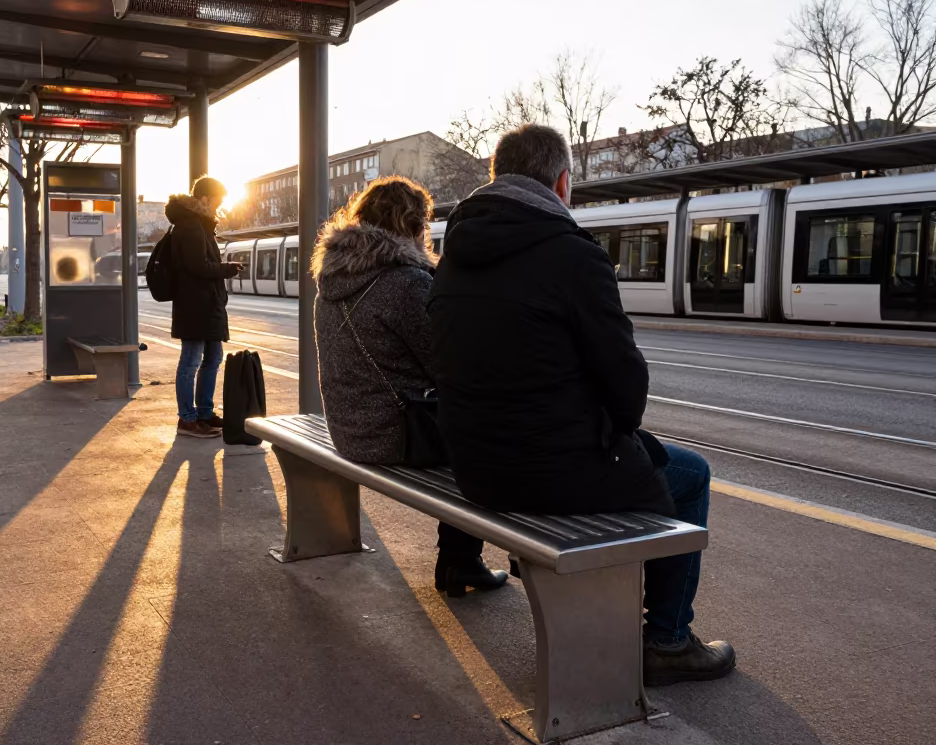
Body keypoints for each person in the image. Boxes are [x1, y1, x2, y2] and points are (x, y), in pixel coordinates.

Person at [428, 124, 735, 687]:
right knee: (691, 473)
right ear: (562, 183)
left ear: (497, 179)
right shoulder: (572, 256)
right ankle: (666, 640)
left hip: (474, 469)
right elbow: (627, 393)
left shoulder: (452, 256)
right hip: (549, 475)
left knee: (641, 456)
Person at [312, 177, 507, 597]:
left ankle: (462, 558)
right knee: (487, 428)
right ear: (416, 226)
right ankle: (466, 559)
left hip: (349, 429)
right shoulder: (407, 284)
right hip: (396, 435)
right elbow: (449, 368)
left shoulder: (330, 281)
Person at [165, 176, 241, 438]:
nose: (219, 206)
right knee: (191, 361)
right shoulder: (191, 225)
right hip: (195, 305)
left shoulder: (201, 225)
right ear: (205, 198)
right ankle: (187, 419)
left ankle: (204, 413)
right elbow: (197, 266)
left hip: (206, 305)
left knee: (213, 358)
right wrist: (227, 269)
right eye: (217, 200)